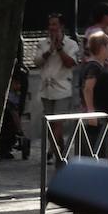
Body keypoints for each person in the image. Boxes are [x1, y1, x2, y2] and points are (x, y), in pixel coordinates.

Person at [36, 13, 80, 158]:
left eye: (55, 24)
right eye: (50, 24)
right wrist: (49, 51)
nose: (51, 27)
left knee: (58, 123)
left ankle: (54, 153)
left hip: (62, 89)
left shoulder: (71, 44)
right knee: (50, 126)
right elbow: (37, 62)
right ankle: (60, 151)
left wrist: (60, 48)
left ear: (61, 26)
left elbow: (70, 63)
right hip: (46, 89)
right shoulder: (43, 43)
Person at [75, 33, 108, 115]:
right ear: (102, 48)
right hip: (94, 115)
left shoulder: (96, 66)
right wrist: (91, 113)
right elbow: (88, 89)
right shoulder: (94, 67)